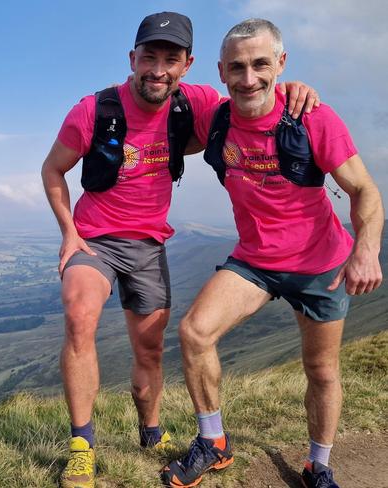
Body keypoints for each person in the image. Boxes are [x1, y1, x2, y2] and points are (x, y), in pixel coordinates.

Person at [41, 12, 318, 488]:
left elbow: (250, 104)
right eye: (149, 57)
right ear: (133, 59)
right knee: (79, 312)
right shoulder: (94, 110)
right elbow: (53, 170)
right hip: (95, 239)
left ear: (188, 65)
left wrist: (295, 90)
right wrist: (69, 233)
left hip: (149, 244)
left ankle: (150, 433)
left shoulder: (194, 103)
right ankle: (82, 446)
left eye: (171, 59)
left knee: (149, 350)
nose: (158, 69)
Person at [160, 18, 384, 488]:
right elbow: (160, 90)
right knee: (194, 333)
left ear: (281, 64)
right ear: (220, 71)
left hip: (320, 265)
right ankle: (213, 443)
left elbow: (364, 190)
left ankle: (318, 465)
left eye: (261, 64)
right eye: (237, 67)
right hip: (255, 261)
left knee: (321, 370)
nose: (249, 79)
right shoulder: (215, 117)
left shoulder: (313, 118)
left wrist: (366, 250)